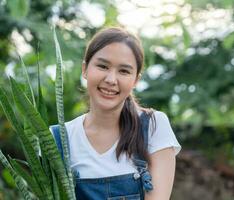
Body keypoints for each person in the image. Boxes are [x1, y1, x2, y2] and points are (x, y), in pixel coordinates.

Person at [51, 27, 181, 200]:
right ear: (85, 69)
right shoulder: (59, 138)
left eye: (124, 71)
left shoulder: (153, 126)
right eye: (103, 66)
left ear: (135, 80)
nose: (111, 80)